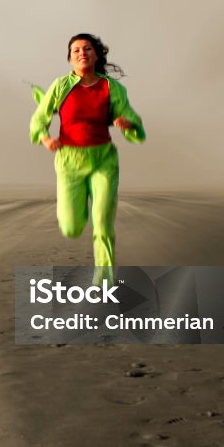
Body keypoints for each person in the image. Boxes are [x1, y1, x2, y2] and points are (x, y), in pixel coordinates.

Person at [29, 33, 146, 286]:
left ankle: (104, 283)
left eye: (87, 49)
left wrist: (127, 124)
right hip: (70, 161)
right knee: (71, 227)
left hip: (104, 160)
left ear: (96, 54)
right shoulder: (61, 85)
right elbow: (39, 119)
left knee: (102, 223)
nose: (82, 53)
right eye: (76, 50)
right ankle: (42, 96)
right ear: (70, 58)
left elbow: (130, 119)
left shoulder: (112, 88)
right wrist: (45, 138)